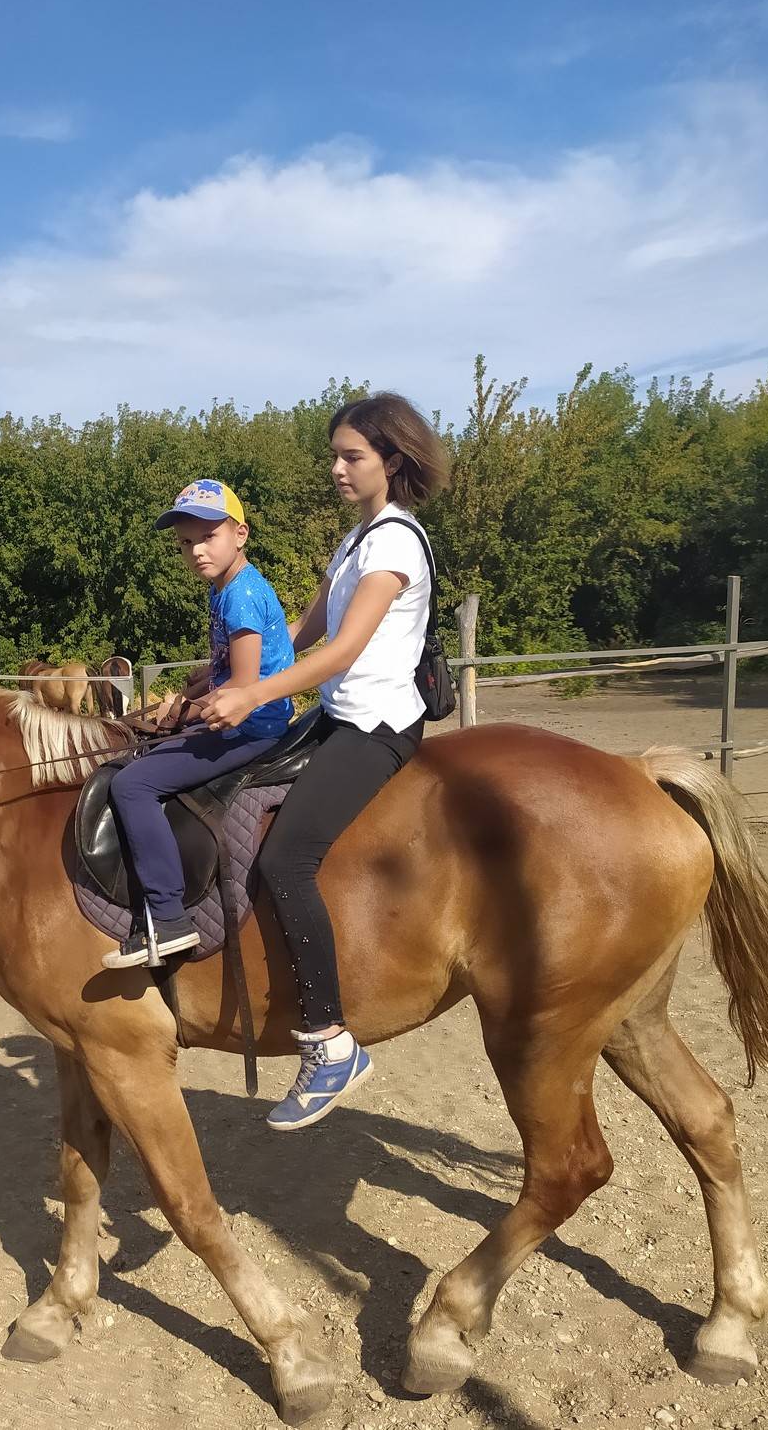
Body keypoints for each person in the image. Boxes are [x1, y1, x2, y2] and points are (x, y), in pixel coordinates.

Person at [199, 394, 450, 1129]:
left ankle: (331, 1041)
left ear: (391, 462)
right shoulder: (356, 539)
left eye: (352, 457)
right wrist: (227, 669)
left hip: (377, 726)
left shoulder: (395, 543)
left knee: (286, 859)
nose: (337, 469)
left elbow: (343, 650)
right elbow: (304, 628)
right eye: (335, 456)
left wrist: (254, 693)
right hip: (339, 715)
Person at [101, 479, 295, 969]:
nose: (197, 551)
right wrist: (202, 681)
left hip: (250, 726)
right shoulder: (227, 587)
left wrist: (184, 711)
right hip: (246, 718)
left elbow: (245, 688)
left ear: (240, 534)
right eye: (186, 542)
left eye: (209, 536)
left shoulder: (239, 596)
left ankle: (169, 918)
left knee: (132, 785)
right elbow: (236, 666)